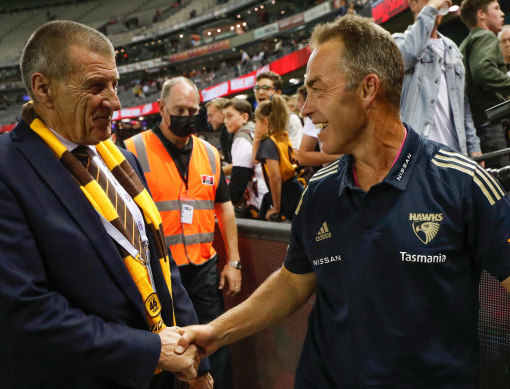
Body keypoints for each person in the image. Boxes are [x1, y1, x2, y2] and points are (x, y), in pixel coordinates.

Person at [177, 14, 510, 388]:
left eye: (318, 89)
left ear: (368, 89)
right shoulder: (319, 191)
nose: (305, 109)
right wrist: (216, 332)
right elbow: (292, 281)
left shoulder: (462, 183)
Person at [0, 21, 208, 389]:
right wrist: (148, 350)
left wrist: (196, 355)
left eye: (114, 85)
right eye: (96, 86)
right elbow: (28, 310)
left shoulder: (122, 161)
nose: (115, 101)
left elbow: (158, 264)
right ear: (43, 88)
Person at [125, 77, 240, 389]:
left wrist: (234, 262)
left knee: (215, 345)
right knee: (166, 352)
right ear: (162, 108)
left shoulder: (210, 153)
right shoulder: (132, 151)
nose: (188, 116)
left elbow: (225, 207)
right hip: (158, 273)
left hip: (204, 269)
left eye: (193, 109)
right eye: (180, 109)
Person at [394, 0, 482, 159]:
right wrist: (431, 9)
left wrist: (473, 146)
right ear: (413, 4)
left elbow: (463, 103)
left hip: (454, 153)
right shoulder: (399, 41)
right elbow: (409, 56)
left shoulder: (452, 48)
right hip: (417, 153)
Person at [459, 0, 510, 166]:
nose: (502, 13)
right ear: (481, 14)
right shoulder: (485, 36)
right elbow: (483, 71)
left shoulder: (466, 42)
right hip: (491, 125)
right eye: (496, 8)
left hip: (479, 126)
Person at [253, 95, 304, 222]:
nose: (255, 125)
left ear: (265, 121)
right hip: (296, 188)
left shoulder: (268, 143)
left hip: (287, 195)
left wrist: (276, 207)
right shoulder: (282, 136)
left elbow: (275, 176)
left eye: (256, 121)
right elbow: (255, 159)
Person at [222, 98, 268, 217]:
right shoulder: (255, 130)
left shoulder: (242, 137)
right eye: (224, 117)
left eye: (229, 116)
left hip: (260, 200)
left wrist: (227, 205)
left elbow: (240, 176)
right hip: (269, 194)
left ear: (244, 117)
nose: (225, 121)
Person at [254, 71, 303, 150]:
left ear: (278, 92)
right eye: (257, 88)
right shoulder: (257, 120)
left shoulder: (291, 119)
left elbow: (295, 154)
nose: (260, 92)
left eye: (266, 88)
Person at [295, 85, 341, 168]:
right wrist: (343, 157)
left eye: (298, 100)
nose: (297, 105)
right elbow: (303, 157)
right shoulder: (312, 119)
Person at [205, 98, 233, 174]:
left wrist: (211, 174)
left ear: (224, 112)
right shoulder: (225, 131)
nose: (208, 120)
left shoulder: (230, 131)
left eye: (211, 115)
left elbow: (238, 167)